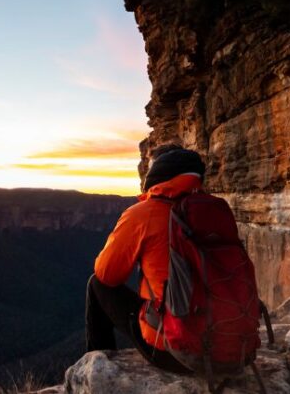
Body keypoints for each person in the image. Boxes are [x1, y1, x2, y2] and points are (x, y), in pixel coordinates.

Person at [85, 144, 206, 373]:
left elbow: (107, 275)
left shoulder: (143, 214)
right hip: (229, 344)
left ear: (157, 173)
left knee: (96, 284)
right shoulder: (214, 210)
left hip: (176, 351)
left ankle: (97, 367)